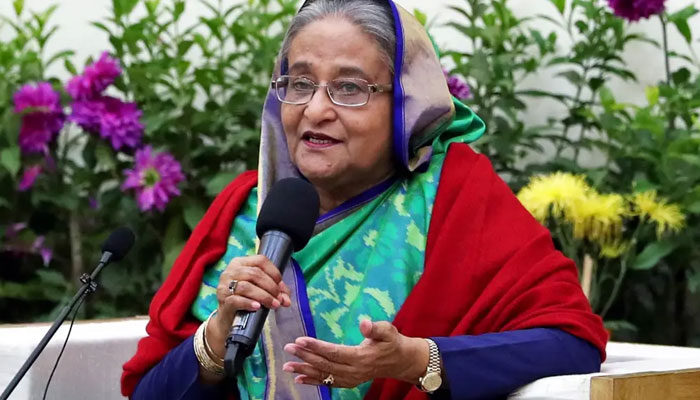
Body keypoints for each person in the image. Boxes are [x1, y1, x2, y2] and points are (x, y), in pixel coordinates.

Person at [121, 0, 608, 399]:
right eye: (300, 83)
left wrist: (417, 360)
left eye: (349, 88)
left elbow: (572, 346)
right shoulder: (244, 209)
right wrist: (214, 340)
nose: (315, 109)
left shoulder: (455, 195)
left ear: (404, 103)